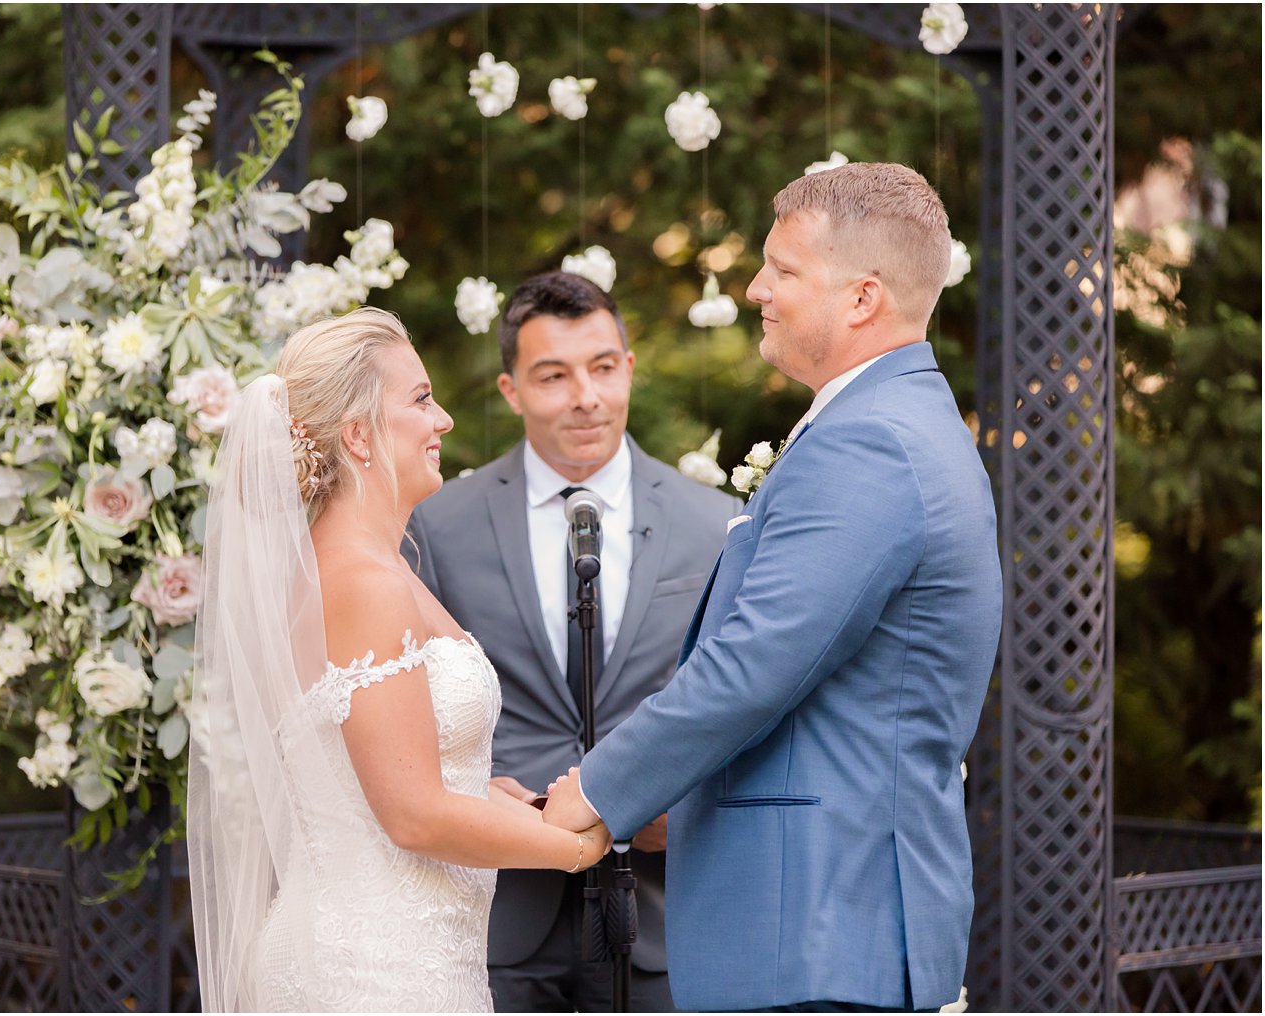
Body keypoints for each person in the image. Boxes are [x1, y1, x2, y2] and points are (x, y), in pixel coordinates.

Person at [543, 163, 1003, 1012]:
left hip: (821, 931)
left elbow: (757, 661)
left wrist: (598, 789)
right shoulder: (893, 424)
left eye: (783, 270)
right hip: (826, 922)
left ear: (862, 298)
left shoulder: (872, 442)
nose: (757, 288)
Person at [187, 307, 612, 1013]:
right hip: (375, 972)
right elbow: (413, 816)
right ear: (357, 434)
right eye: (419, 399)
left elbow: (366, 779)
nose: (442, 419)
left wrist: (500, 793)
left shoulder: (364, 570)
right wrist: (578, 847)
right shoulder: (364, 582)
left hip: (397, 952)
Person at [408, 270, 740, 1012]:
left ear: (627, 369)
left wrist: (677, 811)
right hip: (496, 919)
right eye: (553, 376)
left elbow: (738, 699)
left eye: (601, 368)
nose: (584, 396)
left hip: (661, 911)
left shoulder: (713, 523)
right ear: (510, 391)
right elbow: (408, 703)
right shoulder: (440, 524)